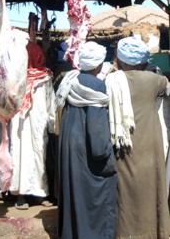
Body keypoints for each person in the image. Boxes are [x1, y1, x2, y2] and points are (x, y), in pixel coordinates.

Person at [106, 36, 170, 238]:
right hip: (151, 145)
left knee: (126, 192)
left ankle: (126, 233)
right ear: (143, 60)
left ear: (121, 59)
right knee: (152, 189)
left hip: (125, 146)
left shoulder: (112, 81)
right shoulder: (155, 80)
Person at [56, 41, 117, 239]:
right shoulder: (97, 85)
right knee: (93, 194)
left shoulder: (70, 80)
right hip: (85, 147)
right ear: (99, 64)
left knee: (74, 191)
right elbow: (98, 140)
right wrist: (108, 151)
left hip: (69, 145)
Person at [9, 40, 56, 209]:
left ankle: (39, 194)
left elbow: (51, 101)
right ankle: (20, 195)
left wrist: (52, 124)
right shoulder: (14, 78)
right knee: (19, 156)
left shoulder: (45, 77)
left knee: (38, 156)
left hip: (38, 125)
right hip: (19, 126)